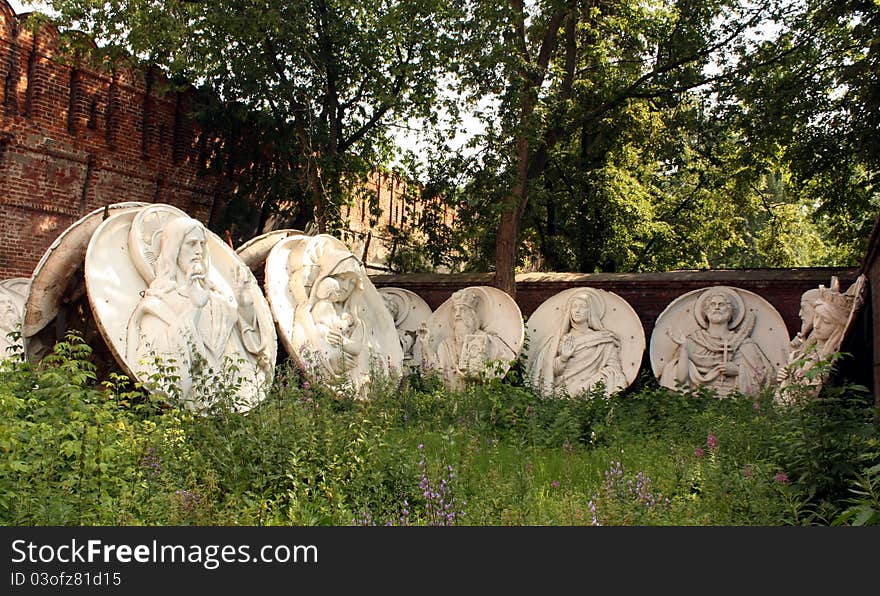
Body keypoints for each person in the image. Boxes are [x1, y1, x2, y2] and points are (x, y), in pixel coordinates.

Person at [125, 217, 273, 410]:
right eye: (191, 243)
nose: (198, 251)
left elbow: (248, 343)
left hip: (234, 401)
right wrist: (195, 307)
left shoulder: (217, 298)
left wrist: (244, 305)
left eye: (202, 244)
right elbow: (163, 369)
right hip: (196, 404)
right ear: (175, 248)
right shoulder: (158, 303)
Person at [660, 287, 773, 397]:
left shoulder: (744, 344)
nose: (717, 308)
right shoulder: (692, 341)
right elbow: (680, 379)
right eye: (713, 305)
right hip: (697, 403)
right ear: (706, 311)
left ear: (730, 312)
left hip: (733, 403)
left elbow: (764, 377)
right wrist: (684, 348)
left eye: (722, 304)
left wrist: (738, 371)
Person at [528, 289, 627, 397]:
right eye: (574, 307)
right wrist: (563, 358)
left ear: (590, 311)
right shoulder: (558, 341)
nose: (577, 310)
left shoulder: (604, 340)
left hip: (591, 388)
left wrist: (591, 383)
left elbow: (614, 370)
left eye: (582, 307)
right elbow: (548, 373)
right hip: (561, 392)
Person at [417, 288, 515, 389]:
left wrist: (480, 373)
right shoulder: (447, 346)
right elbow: (435, 373)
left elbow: (503, 360)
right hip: (451, 398)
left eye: (462, 310)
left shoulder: (486, 339)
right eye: (455, 310)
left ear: (472, 315)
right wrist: (425, 345)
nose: (457, 314)